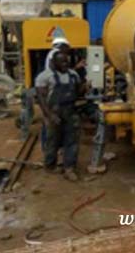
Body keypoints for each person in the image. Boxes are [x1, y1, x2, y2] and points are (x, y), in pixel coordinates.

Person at [35, 52, 85, 181]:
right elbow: (41, 98)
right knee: (53, 140)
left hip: (70, 112)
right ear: (54, 62)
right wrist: (50, 115)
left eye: (67, 61)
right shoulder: (44, 77)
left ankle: (69, 168)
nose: (65, 64)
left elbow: (78, 92)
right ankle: (50, 165)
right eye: (62, 62)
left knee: (72, 141)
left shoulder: (73, 75)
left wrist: (86, 86)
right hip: (54, 113)